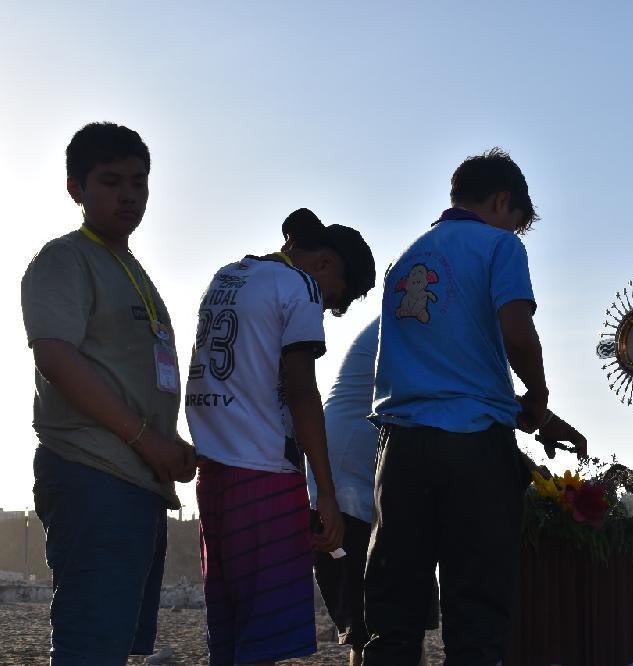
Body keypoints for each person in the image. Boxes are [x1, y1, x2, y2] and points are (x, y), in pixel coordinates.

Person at [363, 148, 587, 665]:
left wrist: (531, 415)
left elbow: (441, 360)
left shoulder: (405, 260)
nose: (513, 232)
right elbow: (516, 331)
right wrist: (538, 394)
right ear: (502, 201)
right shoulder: (498, 247)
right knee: (477, 610)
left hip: (400, 449)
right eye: (516, 222)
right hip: (473, 450)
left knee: (393, 613)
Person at [21, 121, 196, 664]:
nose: (129, 195)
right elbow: (56, 358)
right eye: (111, 181)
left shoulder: (131, 268)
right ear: (75, 188)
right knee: (90, 643)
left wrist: (170, 442)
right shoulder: (65, 258)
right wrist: (148, 439)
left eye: (139, 182)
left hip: (139, 481)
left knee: (116, 645)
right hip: (92, 472)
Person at [186, 208, 375, 666]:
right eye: (341, 298)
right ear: (328, 264)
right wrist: (326, 493)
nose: (333, 308)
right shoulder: (299, 287)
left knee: (227, 635)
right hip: (264, 476)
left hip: (212, 474)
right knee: (263, 640)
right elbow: (302, 391)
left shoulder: (228, 276)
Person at [307, 317, 439, 666]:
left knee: (399, 622)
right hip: (351, 480)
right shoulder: (416, 316)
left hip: (381, 474)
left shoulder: (423, 311)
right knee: (373, 627)